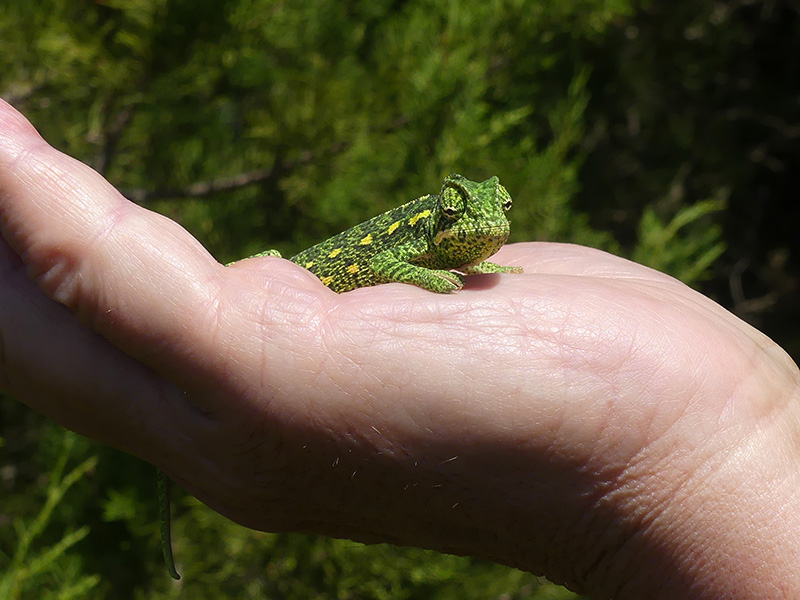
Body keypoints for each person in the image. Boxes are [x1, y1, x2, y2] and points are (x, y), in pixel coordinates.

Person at [2, 98, 799, 599]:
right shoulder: (417, 235)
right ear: (440, 216)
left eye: (498, 215)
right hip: (308, 276)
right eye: (465, 217)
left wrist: (696, 462)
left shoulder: (465, 239)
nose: (485, 228)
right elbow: (381, 261)